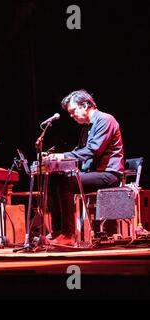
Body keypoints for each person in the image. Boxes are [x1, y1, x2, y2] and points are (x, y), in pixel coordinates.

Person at [45, 89, 125, 245]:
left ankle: (68, 235)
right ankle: (57, 231)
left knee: (65, 181)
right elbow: (79, 151)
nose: (72, 116)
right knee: (53, 178)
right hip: (95, 173)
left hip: (109, 174)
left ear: (86, 105)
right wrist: (55, 158)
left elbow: (93, 150)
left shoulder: (105, 120)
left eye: (73, 111)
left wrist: (63, 156)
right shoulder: (87, 128)